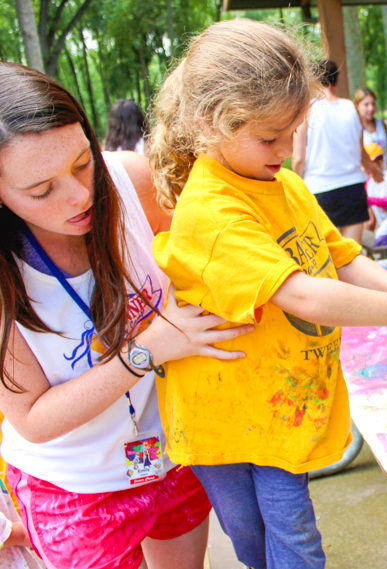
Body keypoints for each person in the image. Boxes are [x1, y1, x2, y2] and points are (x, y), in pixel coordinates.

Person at [149, 19, 387, 569]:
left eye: (294, 130)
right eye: (269, 137)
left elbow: (343, 259)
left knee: (291, 536)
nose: (287, 148)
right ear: (212, 123)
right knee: (255, 539)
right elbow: (303, 296)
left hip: (275, 404)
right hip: (225, 413)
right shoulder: (212, 208)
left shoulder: (287, 184)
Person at [0, 62, 252, 569]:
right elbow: (33, 419)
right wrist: (146, 350)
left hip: (172, 449)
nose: (80, 195)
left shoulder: (132, 180)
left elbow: (212, 270)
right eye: (41, 190)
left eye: (81, 162)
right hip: (77, 487)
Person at [292, 60, 380, 244]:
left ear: (313, 81)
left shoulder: (307, 111)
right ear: (335, 81)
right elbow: (361, 151)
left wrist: (295, 189)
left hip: (320, 189)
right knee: (352, 254)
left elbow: (299, 158)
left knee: (326, 257)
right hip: (353, 188)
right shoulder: (350, 107)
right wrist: (375, 172)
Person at [353, 87, 387, 163]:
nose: (371, 108)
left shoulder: (381, 125)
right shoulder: (355, 128)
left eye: (373, 104)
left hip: (383, 171)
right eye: (366, 105)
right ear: (357, 106)